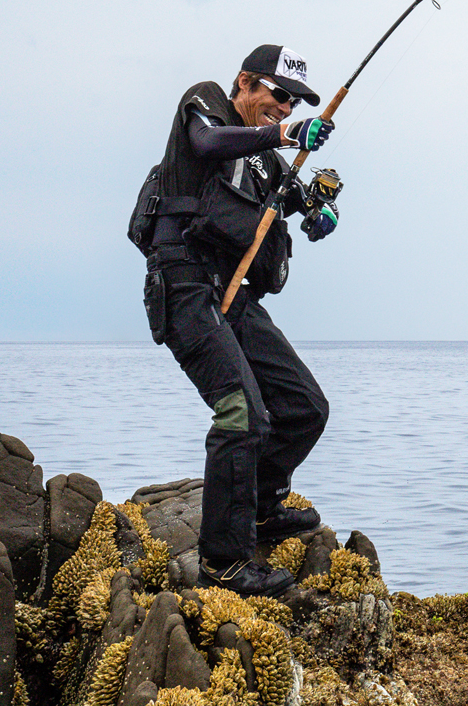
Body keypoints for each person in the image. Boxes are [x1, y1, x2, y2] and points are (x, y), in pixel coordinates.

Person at [143, 44, 338, 598]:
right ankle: (224, 563)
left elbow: (299, 200)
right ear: (245, 83)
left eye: (295, 102)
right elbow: (209, 143)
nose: (286, 107)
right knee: (241, 414)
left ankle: (260, 508)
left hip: (236, 299)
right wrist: (285, 136)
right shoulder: (205, 105)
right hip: (184, 287)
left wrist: (320, 214)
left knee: (305, 408)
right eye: (279, 95)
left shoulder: (266, 159)